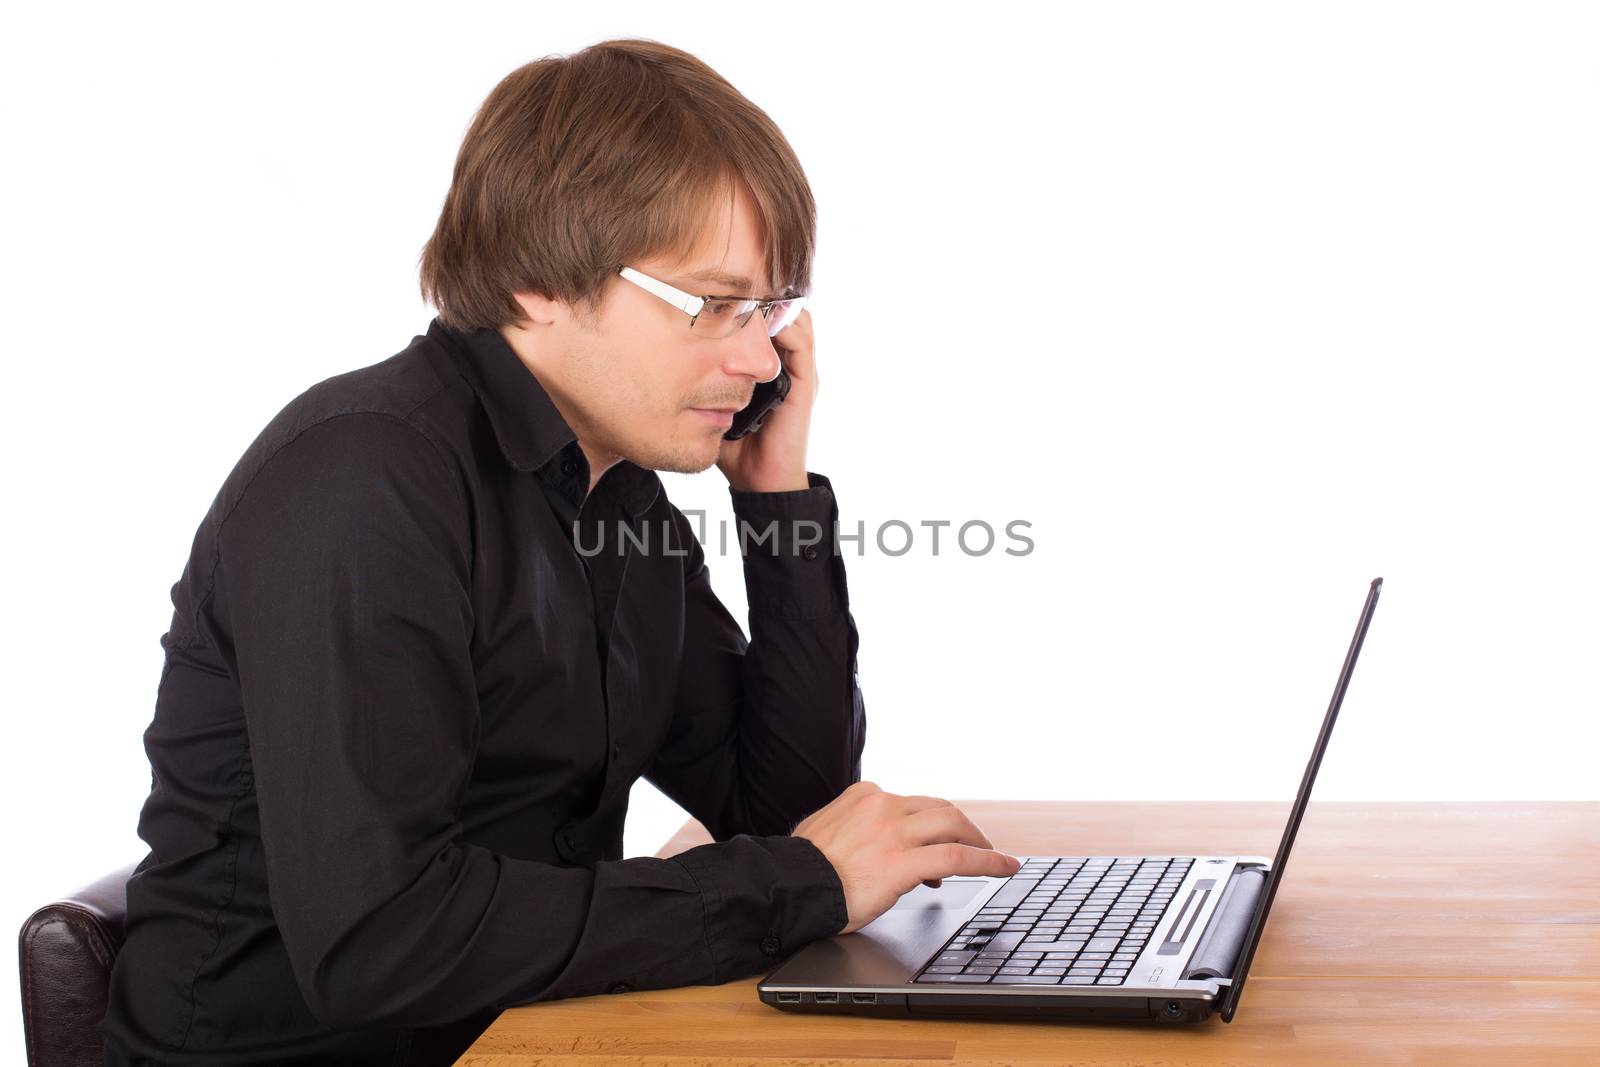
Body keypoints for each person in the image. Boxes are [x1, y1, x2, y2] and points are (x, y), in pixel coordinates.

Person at [100, 37, 1022, 1066]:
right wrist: (799, 880)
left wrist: (776, 498)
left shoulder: (616, 488)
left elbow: (784, 810)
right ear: (539, 279)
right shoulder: (364, 480)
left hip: (524, 1036)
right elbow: (381, 944)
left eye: (769, 310)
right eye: (712, 303)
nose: (758, 355)